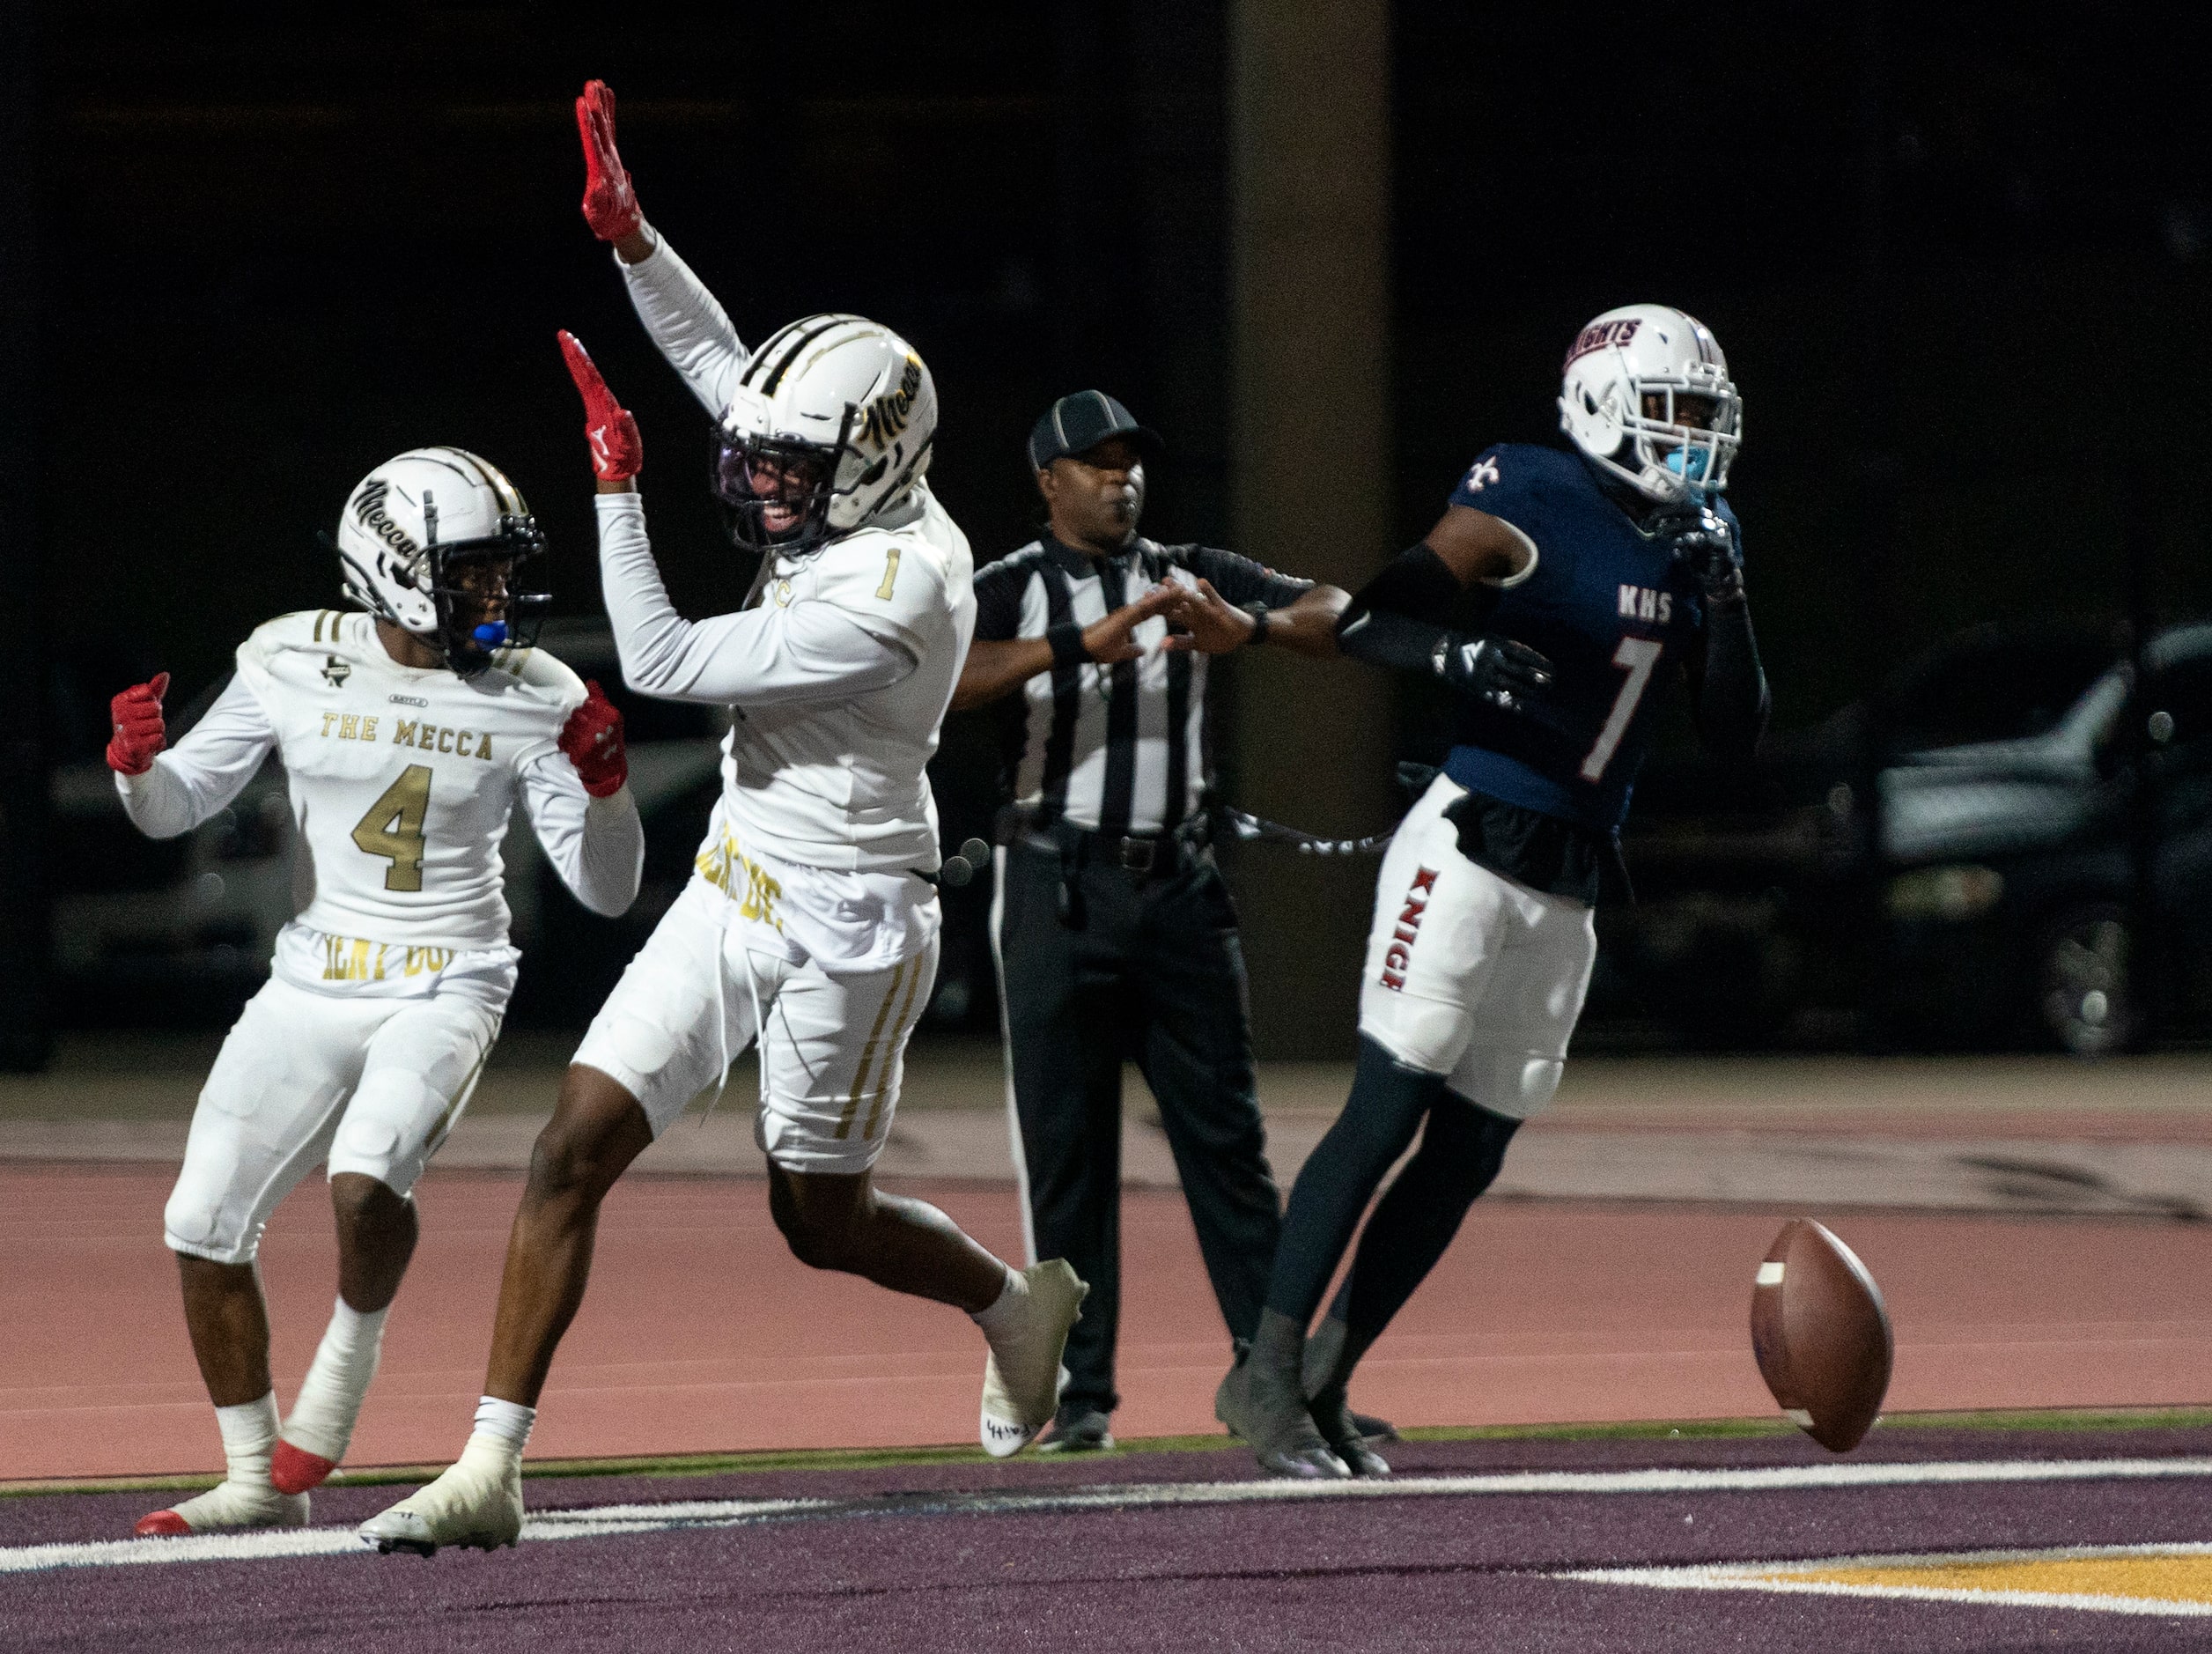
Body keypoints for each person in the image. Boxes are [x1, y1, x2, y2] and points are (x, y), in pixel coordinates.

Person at [356, 81, 1084, 1557]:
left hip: (856, 915)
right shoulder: (847, 478)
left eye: (786, 472)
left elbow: (676, 662)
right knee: (569, 1144)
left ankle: (1019, 1302)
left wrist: (615, 493)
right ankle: (490, 1464)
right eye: (758, 463)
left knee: (818, 1217)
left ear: (871, 465)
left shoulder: (898, 594)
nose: (755, 484)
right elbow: (721, 366)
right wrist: (629, 239)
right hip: (741, 873)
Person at [1217, 305, 1772, 1477]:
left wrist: (1726, 597)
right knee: (1387, 1104)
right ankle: (1260, 1372)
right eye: (1668, 417)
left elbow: (1735, 732)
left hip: (1571, 873)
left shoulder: (1705, 531)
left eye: (1701, 423)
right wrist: (1455, 654)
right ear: (1598, 408)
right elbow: (1384, 610)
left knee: (1471, 1148)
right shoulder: (1531, 490)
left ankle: (1328, 1372)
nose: (1688, 447)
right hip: (1468, 844)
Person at [109, 446, 646, 1535]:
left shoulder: (534, 690)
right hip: (310, 978)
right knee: (199, 1223)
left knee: (364, 1179)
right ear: (395, 567)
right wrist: (135, 769)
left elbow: (605, 888)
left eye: (503, 571)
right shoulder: (288, 654)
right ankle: (255, 1482)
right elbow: (177, 808)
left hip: (446, 980)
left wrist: (604, 789)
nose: (497, 594)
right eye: (476, 572)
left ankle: (346, 1369)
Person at [947, 391, 1352, 1451]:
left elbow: (1336, 610)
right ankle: (1080, 1399)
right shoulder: (1005, 588)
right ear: (1046, 481)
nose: (1120, 478)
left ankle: (1276, 1381)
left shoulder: (1191, 572)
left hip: (1178, 888)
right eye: (1094, 462)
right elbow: (937, 682)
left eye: (1131, 461)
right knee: (1064, 1148)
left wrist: (1250, 626)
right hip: (1054, 884)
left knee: (1228, 1149)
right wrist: (1079, 648)